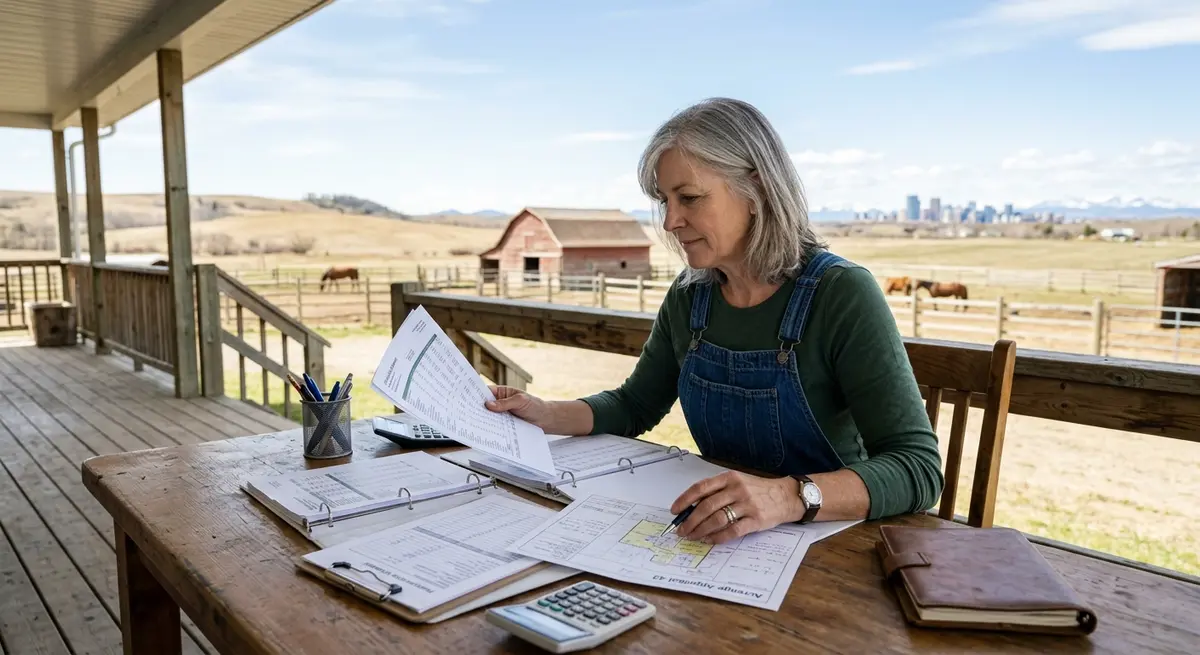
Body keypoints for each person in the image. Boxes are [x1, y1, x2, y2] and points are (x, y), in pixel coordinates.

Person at [485, 97, 942, 545]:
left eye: (689, 197)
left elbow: (917, 468)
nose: (669, 221)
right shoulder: (691, 296)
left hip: (832, 542)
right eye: (664, 200)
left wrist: (787, 496)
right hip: (721, 538)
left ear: (757, 190)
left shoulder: (840, 294)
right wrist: (546, 413)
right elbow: (634, 406)